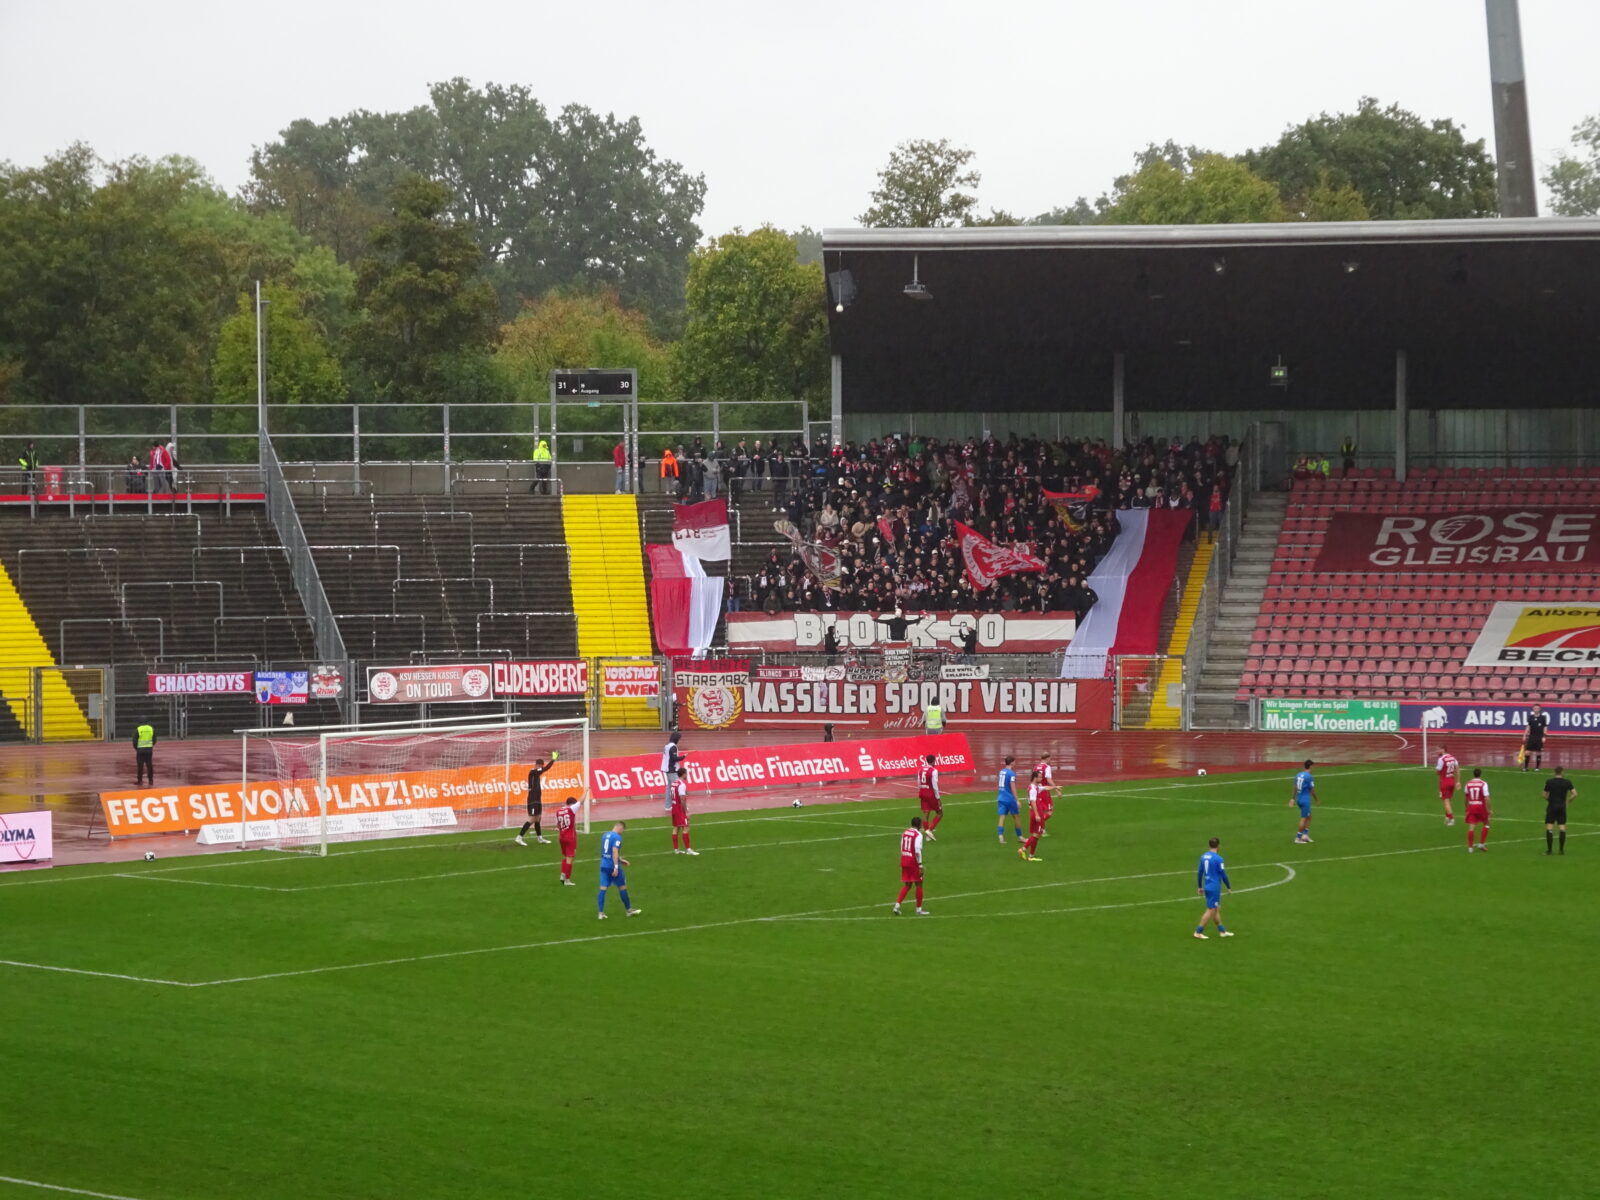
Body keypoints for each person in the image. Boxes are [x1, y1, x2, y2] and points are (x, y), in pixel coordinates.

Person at [596, 821, 640, 919]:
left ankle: (600, 913)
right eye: (623, 830)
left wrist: (621, 860)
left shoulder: (605, 835)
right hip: (612, 866)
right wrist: (616, 866)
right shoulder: (617, 837)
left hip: (603, 865)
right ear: (620, 828)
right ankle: (629, 910)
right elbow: (614, 851)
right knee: (622, 887)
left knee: (603, 888)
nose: (622, 832)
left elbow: (605, 852)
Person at [514, 751, 559, 845]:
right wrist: (553, 759)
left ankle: (540, 838)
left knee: (538, 818)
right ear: (537, 765)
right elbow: (546, 768)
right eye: (541, 766)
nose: (542, 768)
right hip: (532, 800)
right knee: (532, 819)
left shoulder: (536, 774)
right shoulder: (533, 772)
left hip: (537, 800)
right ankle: (519, 837)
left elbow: (544, 769)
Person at [1193, 837, 1234, 939]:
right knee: (1211, 909)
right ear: (1218, 846)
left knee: (1216, 908)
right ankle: (1198, 932)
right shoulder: (1219, 859)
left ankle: (1222, 931)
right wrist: (1228, 886)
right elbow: (1223, 874)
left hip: (1207, 885)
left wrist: (1199, 886)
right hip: (1214, 887)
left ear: (1209, 845)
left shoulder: (1203, 857)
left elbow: (1200, 873)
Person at [892, 815, 929, 916]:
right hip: (913, 861)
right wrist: (920, 865)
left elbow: (901, 846)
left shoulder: (905, 832)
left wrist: (904, 856)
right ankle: (919, 909)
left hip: (904, 859)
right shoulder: (918, 835)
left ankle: (897, 905)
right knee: (919, 884)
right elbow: (917, 850)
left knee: (907, 885)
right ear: (919, 825)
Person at [1018, 769, 1053, 861]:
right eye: (1040, 777)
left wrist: (1055, 787)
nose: (1041, 778)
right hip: (1037, 812)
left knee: (1035, 835)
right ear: (1035, 778)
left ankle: (1031, 856)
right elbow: (1033, 801)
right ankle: (1023, 849)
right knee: (1037, 834)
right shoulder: (1033, 789)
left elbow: (1045, 788)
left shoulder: (1033, 787)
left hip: (1032, 812)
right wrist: (1037, 814)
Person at [1543, 766, 1575, 855]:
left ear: (1554, 772)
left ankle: (1549, 850)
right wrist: (1568, 801)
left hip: (1552, 806)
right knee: (1562, 827)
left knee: (1549, 827)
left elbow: (1544, 794)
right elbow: (1574, 794)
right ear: (1562, 772)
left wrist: (1550, 800)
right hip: (1562, 807)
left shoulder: (1549, 782)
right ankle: (1561, 850)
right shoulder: (1567, 782)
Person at [995, 755, 1023, 844]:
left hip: (1001, 797)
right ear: (1011, 762)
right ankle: (1020, 836)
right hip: (1009, 798)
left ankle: (1000, 837)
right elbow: (1013, 787)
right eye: (1014, 761)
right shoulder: (1011, 773)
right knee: (1016, 817)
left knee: (1002, 817)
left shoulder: (1001, 771)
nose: (1015, 763)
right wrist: (1017, 800)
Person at [669, 767, 698, 855]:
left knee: (676, 828)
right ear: (683, 774)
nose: (687, 775)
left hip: (674, 808)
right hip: (679, 809)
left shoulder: (674, 783)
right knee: (686, 827)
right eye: (686, 773)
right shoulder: (681, 785)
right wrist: (686, 811)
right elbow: (682, 799)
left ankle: (676, 850)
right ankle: (688, 849)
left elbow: (672, 796)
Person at [1464, 768, 1492, 853]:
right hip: (1481, 807)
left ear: (1473, 774)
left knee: (1471, 827)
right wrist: (1489, 809)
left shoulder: (1468, 784)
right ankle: (1481, 844)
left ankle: (1470, 848)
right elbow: (1487, 798)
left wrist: (1466, 807)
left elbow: (1466, 797)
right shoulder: (1484, 784)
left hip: (1472, 806)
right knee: (1487, 824)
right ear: (1480, 774)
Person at [555, 795, 579, 885]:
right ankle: (567, 880)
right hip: (570, 837)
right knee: (570, 858)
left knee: (566, 856)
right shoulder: (571, 810)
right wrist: (586, 791)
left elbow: (558, 825)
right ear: (572, 804)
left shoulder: (558, 811)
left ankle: (562, 875)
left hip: (562, 837)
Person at [917, 754, 942, 838]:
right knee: (940, 813)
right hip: (930, 793)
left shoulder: (920, 769)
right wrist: (938, 798)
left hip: (922, 792)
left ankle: (927, 831)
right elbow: (935, 785)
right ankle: (929, 832)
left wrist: (920, 791)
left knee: (926, 813)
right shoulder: (934, 770)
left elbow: (918, 782)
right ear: (933, 761)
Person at [1291, 759, 1316, 843]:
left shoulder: (1298, 775)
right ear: (1311, 766)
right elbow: (1312, 790)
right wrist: (1317, 799)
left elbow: (1295, 787)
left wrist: (1293, 798)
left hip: (1299, 798)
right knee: (1304, 818)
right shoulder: (1309, 777)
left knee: (1309, 816)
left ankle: (1305, 835)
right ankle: (1298, 838)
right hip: (1305, 800)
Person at [661, 731, 687, 812]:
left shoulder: (667, 745)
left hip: (667, 769)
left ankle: (668, 806)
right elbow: (674, 758)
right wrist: (683, 757)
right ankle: (679, 806)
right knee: (677, 787)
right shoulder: (673, 747)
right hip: (672, 769)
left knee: (669, 788)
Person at [1521, 704, 1549, 772]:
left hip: (1539, 736)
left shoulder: (1543, 717)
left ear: (1540, 709)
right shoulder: (1530, 717)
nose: (1536, 709)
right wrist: (1524, 735)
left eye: (1537, 708)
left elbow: (1545, 727)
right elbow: (1528, 726)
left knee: (1538, 752)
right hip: (1532, 736)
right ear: (1533, 709)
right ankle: (1525, 767)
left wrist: (1544, 736)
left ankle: (1537, 767)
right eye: (1535, 708)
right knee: (1527, 752)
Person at [1435, 746, 1459, 826]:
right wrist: (1458, 781)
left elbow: (1437, 772)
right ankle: (1447, 817)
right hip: (1452, 780)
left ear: (1443, 750)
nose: (1437, 751)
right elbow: (1457, 770)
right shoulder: (1453, 758)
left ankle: (1452, 819)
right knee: (1448, 800)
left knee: (1446, 801)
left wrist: (1438, 770)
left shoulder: (1441, 759)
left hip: (1444, 781)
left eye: (1438, 749)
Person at [133, 721, 157, 785]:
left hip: (140, 751)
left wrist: (137, 749)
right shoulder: (151, 728)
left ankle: (140, 781)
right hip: (149, 750)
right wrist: (150, 745)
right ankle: (151, 780)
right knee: (149, 765)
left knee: (140, 766)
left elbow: (134, 741)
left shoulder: (139, 729)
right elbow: (154, 739)